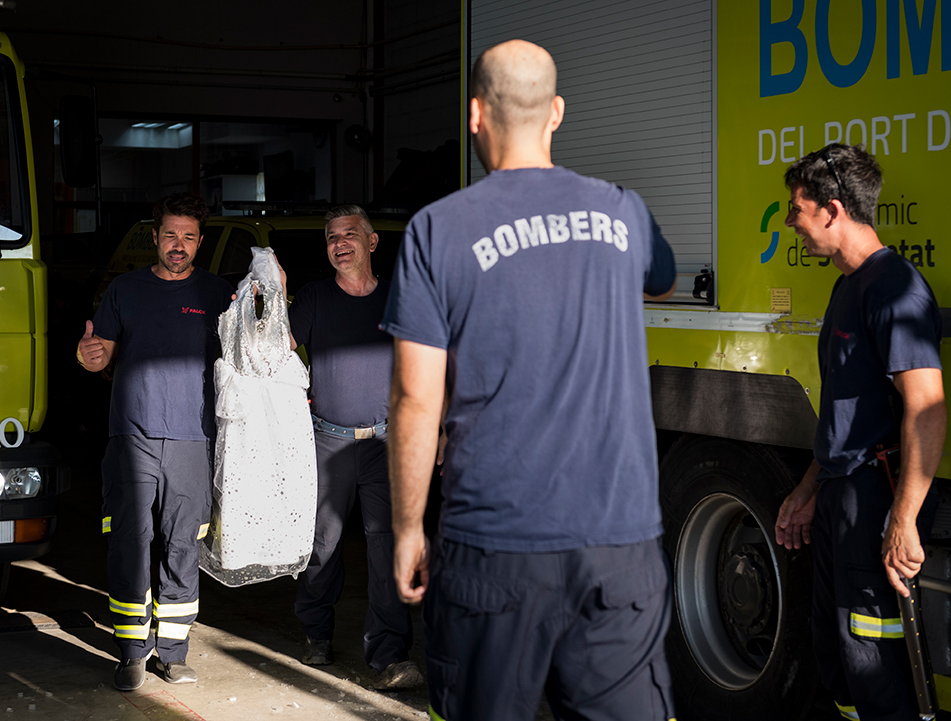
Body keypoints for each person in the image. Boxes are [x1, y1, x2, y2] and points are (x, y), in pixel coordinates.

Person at [381, 39, 678, 721]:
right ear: (558, 113)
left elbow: (416, 398)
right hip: (619, 545)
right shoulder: (623, 212)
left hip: (494, 548)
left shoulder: (437, 231)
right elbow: (661, 280)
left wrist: (406, 527)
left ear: (476, 115)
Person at [774, 144, 946, 721]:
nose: (792, 222)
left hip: (874, 500)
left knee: (873, 662)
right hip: (840, 494)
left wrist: (902, 520)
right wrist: (808, 487)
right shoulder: (848, 285)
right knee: (838, 658)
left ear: (832, 209)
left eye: (797, 209)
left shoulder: (894, 288)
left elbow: (927, 408)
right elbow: (847, 413)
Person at [76, 192, 232, 691]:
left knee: (184, 546)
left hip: (193, 438)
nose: (179, 245)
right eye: (170, 235)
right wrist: (90, 357)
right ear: (155, 237)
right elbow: (101, 356)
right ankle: (130, 652)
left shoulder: (217, 294)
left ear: (200, 241)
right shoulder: (126, 290)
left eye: (188, 237)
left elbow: (248, 359)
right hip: (133, 437)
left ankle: (173, 652)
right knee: (129, 542)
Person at [286, 204, 420, 690]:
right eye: (331, 237)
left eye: (348, 234)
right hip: (326, 441)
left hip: (388, 443)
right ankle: (315, 632)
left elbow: (427, 365)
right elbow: (275, 351)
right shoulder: (315, 298)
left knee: (387, 549)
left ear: (371, 243)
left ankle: (389, 654)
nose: (339, 243)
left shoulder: (399, 300)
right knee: (323, 545)